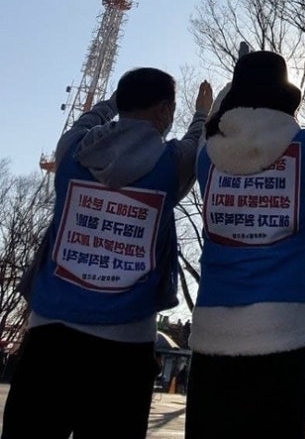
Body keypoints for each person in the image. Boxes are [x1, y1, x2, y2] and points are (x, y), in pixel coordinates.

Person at [184, 27, 305, 439]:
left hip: (212, 337)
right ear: (286, 96)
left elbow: (210, 123)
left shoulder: (206, 159)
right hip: (287, 338)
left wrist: (222, 91)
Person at [2, 68, 213, 439]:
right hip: (125, 346)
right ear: (165, 111)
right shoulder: (173, 164)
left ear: (121, 102)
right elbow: (197, 141)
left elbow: (87, 120)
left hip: (48, 335)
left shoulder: (72, 151)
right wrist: (201, 113)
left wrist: (113, 102)